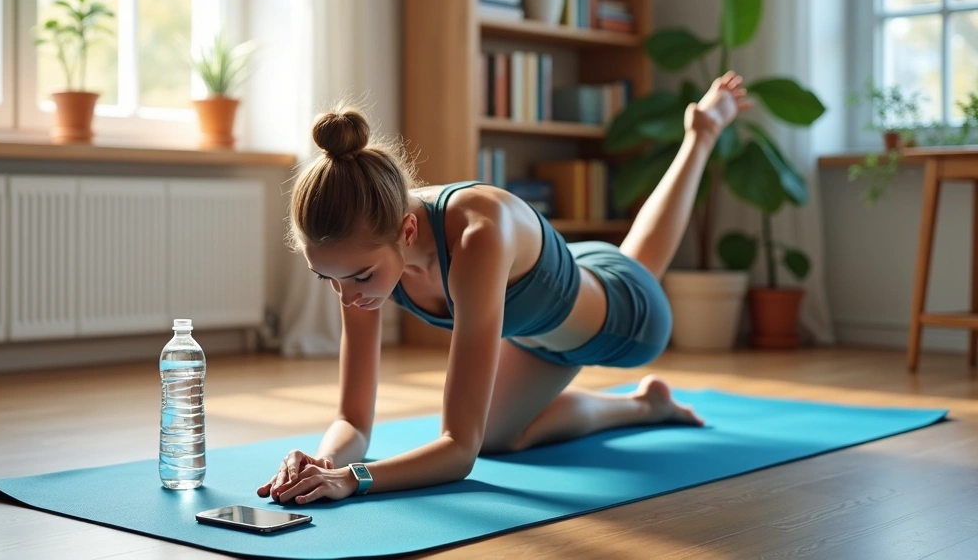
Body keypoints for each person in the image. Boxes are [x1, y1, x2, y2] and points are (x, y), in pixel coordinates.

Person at [256, 72, 752, 505]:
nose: (348, 297)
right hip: (537, 327)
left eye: (360, 278)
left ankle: (701, 135)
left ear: (407, 232)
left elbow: (457, 450)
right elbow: (353, 420)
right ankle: (647, 406)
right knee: (497, 435)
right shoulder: (360, 250)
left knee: (636, 271)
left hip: (622, 322)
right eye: (328, 278)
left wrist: (354, 479)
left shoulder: (478, 236)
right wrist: (322, 462)